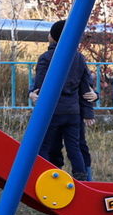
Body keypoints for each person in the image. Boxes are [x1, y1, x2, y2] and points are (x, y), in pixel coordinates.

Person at [29, 19, 91, 180]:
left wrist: (32, 93)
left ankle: (42, 175)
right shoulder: (78, 57)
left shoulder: (46, 57)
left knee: (44, 145)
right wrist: (88, 111)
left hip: (52, 111)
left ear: (54, 37)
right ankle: (81, 178)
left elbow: (39, 86)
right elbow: (86, 85)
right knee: (74, 147)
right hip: (72, 112)